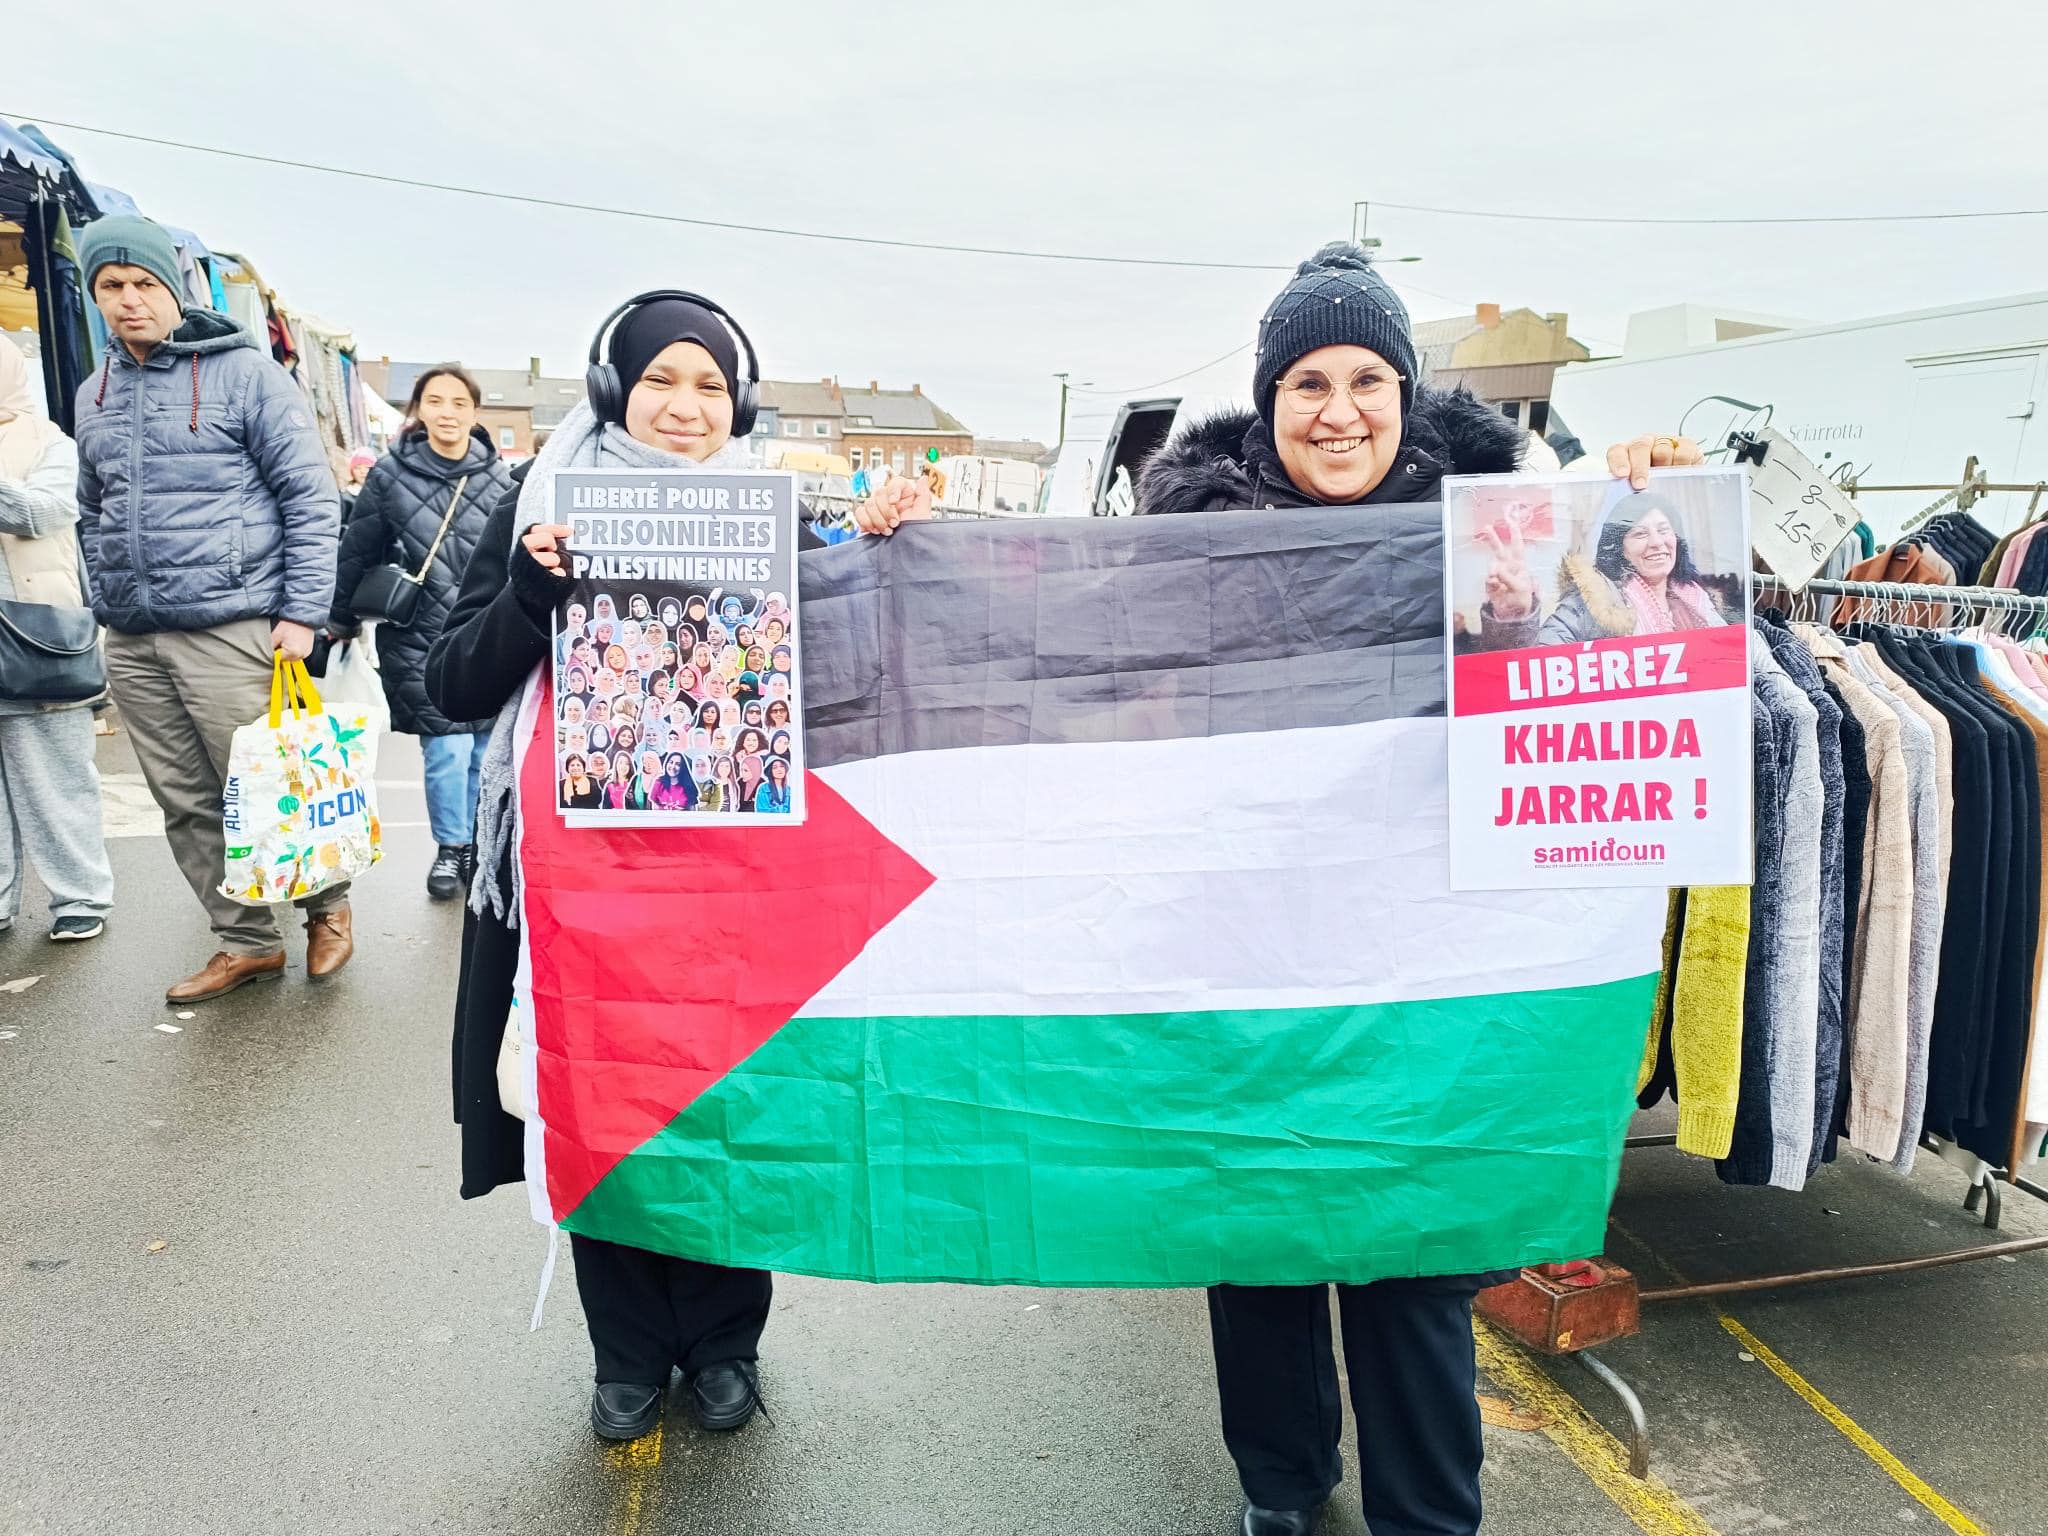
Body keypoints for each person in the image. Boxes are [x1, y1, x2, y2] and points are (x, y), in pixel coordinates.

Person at [863, 241, 1702, 1536]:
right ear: (1269, 403)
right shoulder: (1189, 541)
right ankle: (1281, 1483)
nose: (1340, 409)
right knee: (1251, 1235)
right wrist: (909, 554)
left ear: (1407, 392)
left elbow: (1600, 682)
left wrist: (1651, 494)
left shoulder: (1499, 529)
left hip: (1427, 965)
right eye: (1307, 380)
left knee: (1411, 1261)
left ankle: (1430, 1514)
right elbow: (1069, 665)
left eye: (1368, 376)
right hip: (1240, 950)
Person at [428, 289, 915, 1447]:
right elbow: (447, 685)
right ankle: (628, 1355)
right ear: (614, 389)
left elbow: (859, 660)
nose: (685, 406)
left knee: (728, 1106)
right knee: (604, 1103)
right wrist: (527, 600)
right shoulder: (534, 509)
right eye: (661, 381)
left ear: (737, 403)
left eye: (708, 385)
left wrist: (884, 547)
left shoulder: (777, 516)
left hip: (732, 889)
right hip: (576, 891)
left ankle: (726, 1345)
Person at [72, 214, 348, 1001]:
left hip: (233, 625)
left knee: (273, 786)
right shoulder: (93, 392)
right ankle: (244, 941)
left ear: (174, 289)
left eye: (143, 284)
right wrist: (105, 597)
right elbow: (91, 507)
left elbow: (309, 496)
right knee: (186, 802)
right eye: (111, 286)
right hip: (132, 633)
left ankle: (327, 907)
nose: (129, 301)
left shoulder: (247, 374)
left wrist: (302, 612)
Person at [330, 365, 514, 899]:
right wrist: (338, 619)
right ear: (419, 410)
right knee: (446, 752)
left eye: (459, 402)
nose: (448, 412)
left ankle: (483, 844)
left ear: (475, 413)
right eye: (436, 401)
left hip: (484, 633)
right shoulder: (389, 476)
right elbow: (358, 550)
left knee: (485, 751)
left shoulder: (500, 479)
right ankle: (451, 849)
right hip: (420, 636)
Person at [0, 333, 116, 941]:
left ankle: (80, 897)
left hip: (35, 634)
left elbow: (40, 511)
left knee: (56, 777)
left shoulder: (50, 442)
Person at [1478, 489, 1736, 646]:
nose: (1657, 543)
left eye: (1663, 530)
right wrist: (1515, 616)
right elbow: (1537, 665)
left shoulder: (1700, 599)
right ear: (1619, 547)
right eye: (1640, 534)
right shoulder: (1592, 604)